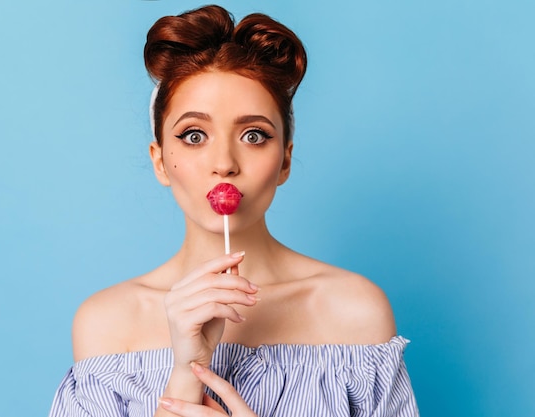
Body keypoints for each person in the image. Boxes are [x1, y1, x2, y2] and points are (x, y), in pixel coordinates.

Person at [49, 5, 419, 417]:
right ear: (159, 161)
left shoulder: (354, 311)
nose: (224, 162)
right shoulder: (106, 324)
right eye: (193, 135)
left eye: (254, 135)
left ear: (285, 161)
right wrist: (186, 374)